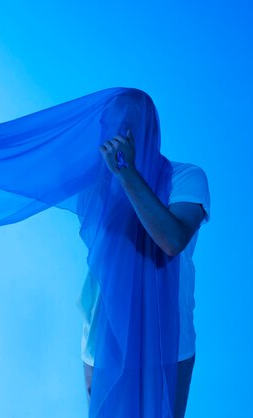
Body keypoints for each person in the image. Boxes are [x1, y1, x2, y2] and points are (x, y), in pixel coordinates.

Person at [77, 128, 211, 417]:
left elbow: (172, 240)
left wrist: (127, 173)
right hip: (103, 337)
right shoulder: (95, 187)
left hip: (166, 339)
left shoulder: (186, 177)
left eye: (128, 125)